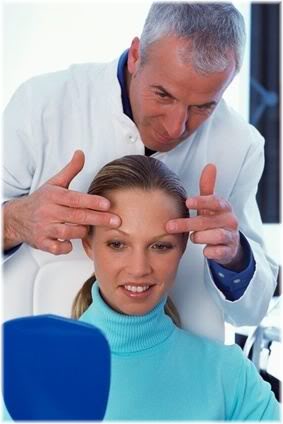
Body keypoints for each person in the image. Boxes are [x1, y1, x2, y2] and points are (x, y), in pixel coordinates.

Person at [3, 3, 278, 339]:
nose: (176, 127)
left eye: (203, 106)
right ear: (136, 55)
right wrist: (13, 221)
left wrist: (234, 256)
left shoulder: (239, 144)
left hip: (180, 374)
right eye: (163, 95)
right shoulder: (42, 104)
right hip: (44, 362)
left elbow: (254, 307)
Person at [72, 154, 280, 420]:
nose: (138, 269)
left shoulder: (229, 376)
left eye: (160, 246)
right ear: (89, 244)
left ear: (182, 248)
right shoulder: (30, 369)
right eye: (117, 244)